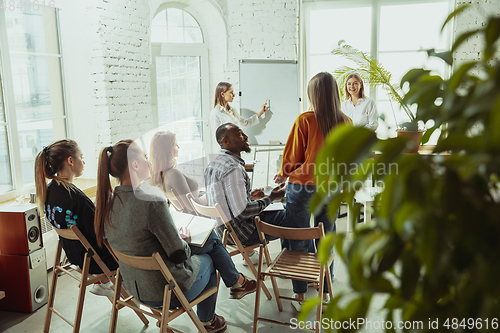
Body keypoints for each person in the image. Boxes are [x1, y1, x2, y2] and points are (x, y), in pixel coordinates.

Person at [94, 139, 256, 333]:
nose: (149, 162)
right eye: (145, 158)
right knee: (211, 255)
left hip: (134, 288)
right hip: (166, 292)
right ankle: (210, 318)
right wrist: (183, 240)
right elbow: (178, 254)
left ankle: (236, 283)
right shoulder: (150, 200)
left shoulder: (107, 203)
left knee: (210, 240)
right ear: (135, 165)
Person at [274, 72, 351, 310]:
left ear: (313, 94)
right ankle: (325, 289)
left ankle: (299, 292)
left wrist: (284, 173)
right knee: (326, 236)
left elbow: (292, 158)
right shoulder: (345, 121)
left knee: (299, 236)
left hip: (302, 187)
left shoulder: (305, 119)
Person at [34, 139, 117, 298]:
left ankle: (104, 282)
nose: (84, 161)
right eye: (81, 156)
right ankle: (118, 284)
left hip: (75, 256)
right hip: (97, 261)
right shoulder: (76, 198)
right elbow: (100, 233)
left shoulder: (49, 191)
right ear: (71, 161)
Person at [205, 123, 287, 249]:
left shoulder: (213, 164)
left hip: (223, 231)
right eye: (240, 134)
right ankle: (294, 258)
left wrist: (248, 195)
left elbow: (226, 200)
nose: (246, 136)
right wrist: (271, 198)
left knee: (285, 209)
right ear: (225, 141)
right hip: (242, 232)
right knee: (293, 214)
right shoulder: (234, 169)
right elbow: (243, 211)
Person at [149, 131, 207, 211]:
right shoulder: (173, 174)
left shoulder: (159, 174)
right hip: (202, 212)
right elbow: (192, 206)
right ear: (167, 149)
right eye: (176, 145)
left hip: (194, 208)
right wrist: (209, 195)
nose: (178, 147)